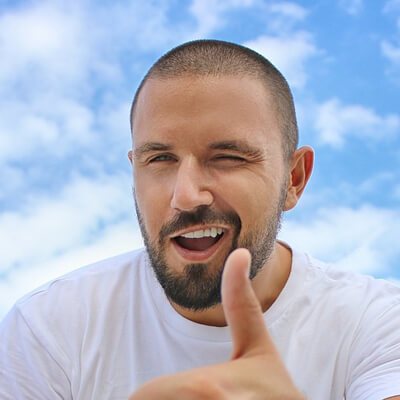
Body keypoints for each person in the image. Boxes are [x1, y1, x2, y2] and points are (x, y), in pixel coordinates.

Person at [0, 39, 399, 400]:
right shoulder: (49, 328)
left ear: (293, 179)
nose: (187, 195)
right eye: (160, 159)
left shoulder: (377, 320)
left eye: (228, 157)